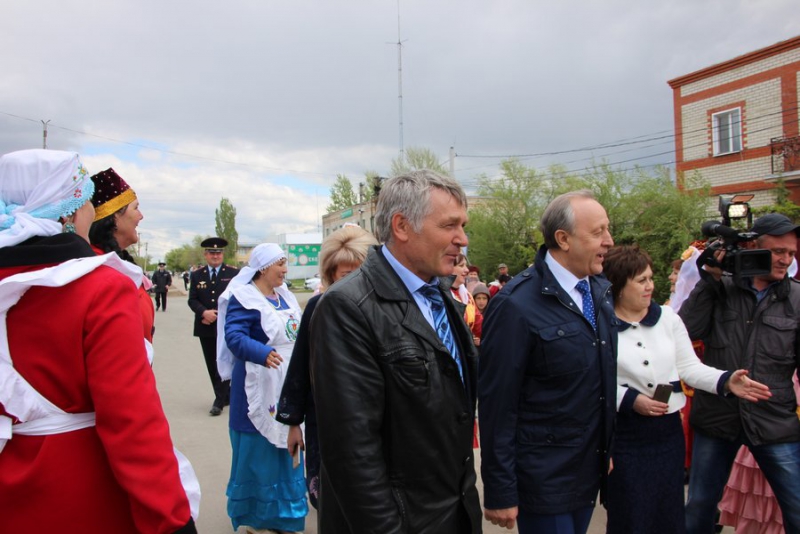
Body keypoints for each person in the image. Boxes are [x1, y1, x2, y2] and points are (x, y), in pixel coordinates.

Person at [0, 149, 195, 533]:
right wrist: (171, 519)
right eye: (88, 200)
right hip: (79, 489)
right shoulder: (101, 287)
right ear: (70, 213)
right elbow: (131, 422)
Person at [310, 170, 482, 533]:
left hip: (453, 513)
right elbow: (352, 454)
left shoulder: (442, 297)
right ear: (402, 226)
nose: (462, 239)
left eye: (463, 226)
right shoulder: (347, 307)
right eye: (449, 225)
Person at [602, 245, 770, 534]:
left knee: (667, 513)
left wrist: (726, 381)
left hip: (667, 433)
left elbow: (690, 368)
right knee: (630, 514)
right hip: (624, 435)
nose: (650, 286)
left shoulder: (668, 318)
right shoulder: (599, 325)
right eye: (641, 280)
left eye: (650, 278)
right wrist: (630, 400)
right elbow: (593, 380)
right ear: (617, 285)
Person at [479, 189, 617, 534]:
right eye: (598, 232)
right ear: (563, 239)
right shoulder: (515, 304)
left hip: (587, 472)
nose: (609, 241)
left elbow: (600, 383)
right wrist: (500, 489)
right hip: (544, 479)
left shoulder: (599, 291)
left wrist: (605, 448)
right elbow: (498, 405)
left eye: (608, 229)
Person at [678, 212, 800, 533]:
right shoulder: (721, 288)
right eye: (778, 251)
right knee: (700, 507)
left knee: (797, 507)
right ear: (753, 247)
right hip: (717, 417)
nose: (786, 260)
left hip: (773, 420)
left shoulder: (797, 299)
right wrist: (710, 281)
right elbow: (686, 331)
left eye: (791, 253)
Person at [276, 225, 378, 509]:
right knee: (332, 500)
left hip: (374, 419)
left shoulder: (383, 308)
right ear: (331, 275)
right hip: (326, 419)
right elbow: (299, 367)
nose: (354, 281)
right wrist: (293, 423)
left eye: (361, 272)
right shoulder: (317, 307)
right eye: (346, 274)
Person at [216, 243, 307, 533]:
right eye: (280, 264)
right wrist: (261, 352)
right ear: (264, 267)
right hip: (257, 383)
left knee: (290, 443)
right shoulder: (244, 297)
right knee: (259, 451)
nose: (285, 270)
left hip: (288, 381)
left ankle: (286, 517)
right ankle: (256, 519)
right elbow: (234, 335)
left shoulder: (285, 296)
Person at [88, 167, 153, 342]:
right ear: (115, 216)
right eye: (136, 208)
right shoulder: (97, 269)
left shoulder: (119, 263)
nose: (141, 216)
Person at [188, 237, 239, 416]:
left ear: (223, 254)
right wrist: (204, 312)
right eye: (211, 253)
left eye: (218, 253)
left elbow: (238, 298)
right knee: (211, 363)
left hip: (225, 326)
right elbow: (192, 299)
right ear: (206, 254)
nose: (215, 256)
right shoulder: (197, 275)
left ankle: (219, 400)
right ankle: (225, 395)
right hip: (206, 326)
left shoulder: (233, 274)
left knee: (223, 360)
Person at [451, 253, 482, 346]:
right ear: (448, 267)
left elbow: (479, 324)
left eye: (466, 265)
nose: (467, 270)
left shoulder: (468, 296)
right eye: (461, 266)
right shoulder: (439, 294)